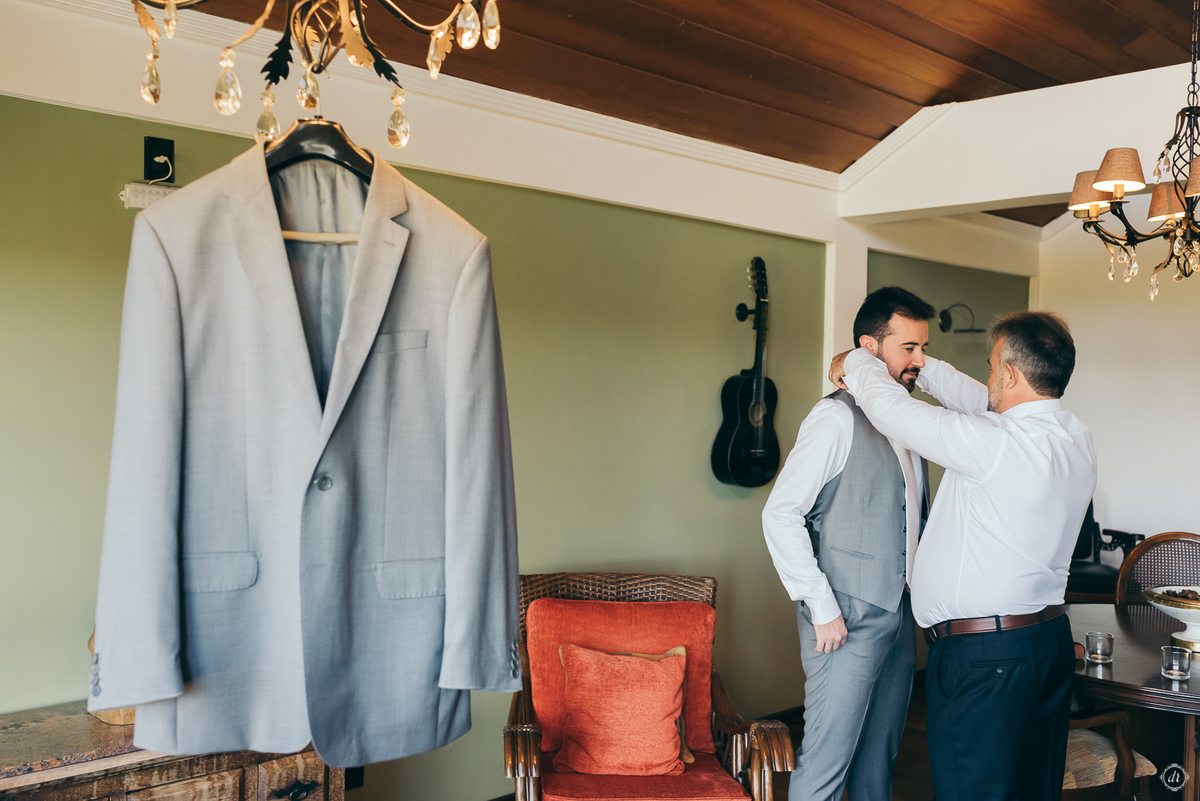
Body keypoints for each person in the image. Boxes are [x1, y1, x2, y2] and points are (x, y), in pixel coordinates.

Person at [829, 311, 1096, 801]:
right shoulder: (1075, 436)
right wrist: (921, 366)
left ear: (1012, 374)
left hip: (987, 658)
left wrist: (858, 361)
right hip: (1046, 644)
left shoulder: (993, 444)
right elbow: (983, 401)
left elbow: (893, 413)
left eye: (994, 367)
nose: (988, 378)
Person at [762, 286, 934, 801]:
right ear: (869, 347)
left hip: (900, 613)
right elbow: (780, 513)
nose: (921, 361)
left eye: (923, 348)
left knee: (877, 763)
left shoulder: (910, 421)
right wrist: (820, 605)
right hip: (846, 618)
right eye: (910, 348)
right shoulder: (835, 419)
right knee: (826, 767)